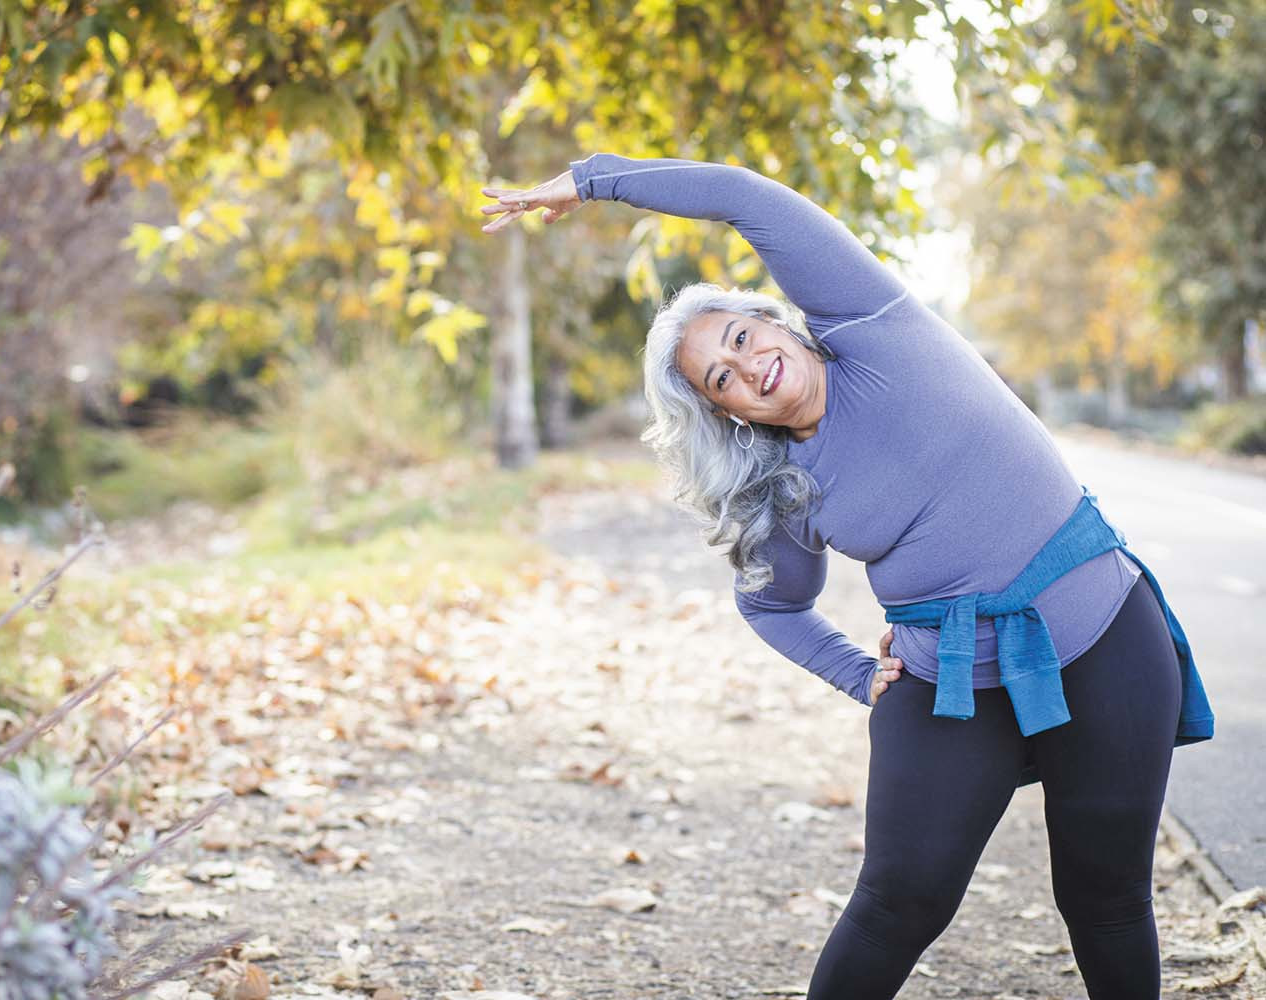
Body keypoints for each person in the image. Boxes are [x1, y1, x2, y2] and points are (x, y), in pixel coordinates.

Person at [477, 154, 1214, 1000]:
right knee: (897, 902)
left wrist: (592, 181)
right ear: (726, 412)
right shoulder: (780, 487)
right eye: (721, 377)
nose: (747, 367)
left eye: (743, 337)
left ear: (780, 322)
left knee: (1104, 896)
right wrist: (859, 675)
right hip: (949, 681)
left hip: (1103, 633)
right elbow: (774, 606)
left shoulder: (874, 325)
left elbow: (745, 198)